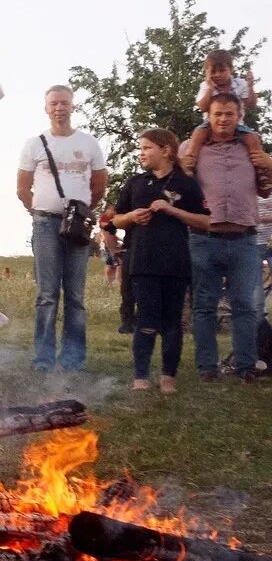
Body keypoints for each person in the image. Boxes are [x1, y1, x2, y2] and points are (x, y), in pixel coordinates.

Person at [111, 129, 210, 394]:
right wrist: (132, 217)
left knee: (171, 322)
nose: (141, 153)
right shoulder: (135, 183)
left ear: (166, 150)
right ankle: (140, 376)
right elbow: (115, 219)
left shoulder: (186, 183)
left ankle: (168, 376)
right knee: (146, 319)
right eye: (140, 149)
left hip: (175, 263)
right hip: (142, 263)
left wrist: (171, 209)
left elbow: (205, 221)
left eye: (146, 148)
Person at [17, 85, 106, 373]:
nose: (59, 108)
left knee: (76, 295)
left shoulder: (89, 143)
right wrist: (39, 211)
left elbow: (100, 185)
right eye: (54, 103)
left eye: (64, 103)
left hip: (77, 225)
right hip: (45, 223)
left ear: (73, 107)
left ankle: (73, 360)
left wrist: (81, 213)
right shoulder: (34, 144)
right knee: (47, 294)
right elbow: (22, 187)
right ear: (46, 108)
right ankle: (43, 359)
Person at [188, 93, 272, 383]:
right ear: (208, 117)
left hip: (245, 240)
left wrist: (269, 164)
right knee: (204, 306)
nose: (223, 119)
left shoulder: (253, 149)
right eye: (217, 114)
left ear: (239, 117)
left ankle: (246, 367)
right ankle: (207, 367)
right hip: (204, 238)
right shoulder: (194, 149)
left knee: (245, 307)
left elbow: (265, 190)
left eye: (229, 114)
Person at [181, 50, 265, 183]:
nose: (217, 75)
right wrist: (210, 88)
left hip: (238, 124)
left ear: (230, 69)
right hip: (210, 124)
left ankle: (261, 172)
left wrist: (250, 86)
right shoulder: (205, 86)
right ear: (207, 73)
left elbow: (251, 104)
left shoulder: (240, 83)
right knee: (197, 134)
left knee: (253, 138)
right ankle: (189, 164)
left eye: (222, 70)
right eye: (213, 72)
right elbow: (202, 107)